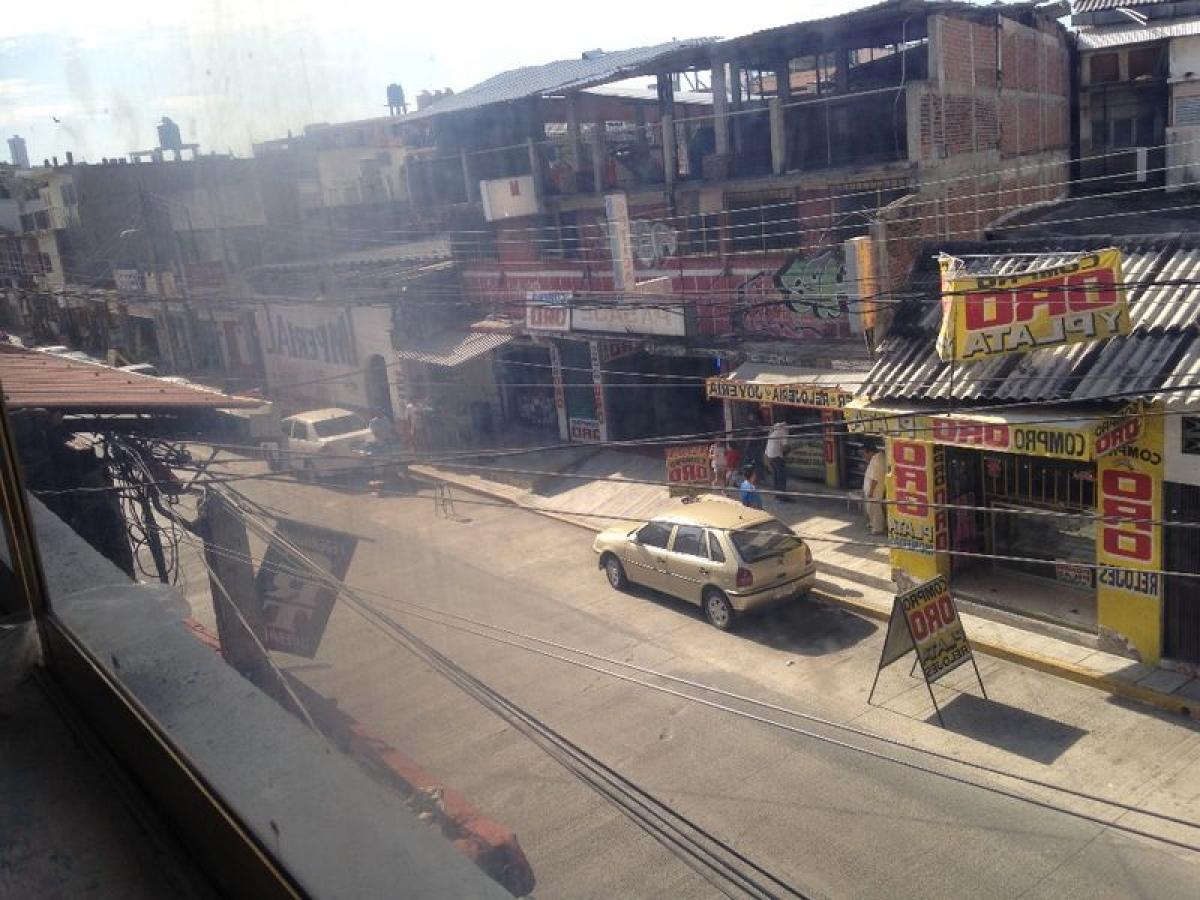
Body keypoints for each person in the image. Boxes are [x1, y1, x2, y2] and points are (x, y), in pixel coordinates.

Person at [764, 419, 791, 502]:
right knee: (781, 477)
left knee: (776, 476)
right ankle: (782, 497)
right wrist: (789, 450)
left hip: (769, 455)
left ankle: (777, 495)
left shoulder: (775, 428)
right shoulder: (784, 431)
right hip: (776, 456)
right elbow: (785, 447)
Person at [862, 446, 886, 535]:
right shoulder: (876, 459)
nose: (863, 456)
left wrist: (871, 492)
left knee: (875, 509)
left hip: (874, 490)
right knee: (871, 509)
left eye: (864, 453)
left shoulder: (877, 460)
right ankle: (873, 524)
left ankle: (878, 528)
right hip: (873, 489)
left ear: (870, 452)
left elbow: (875, 479)